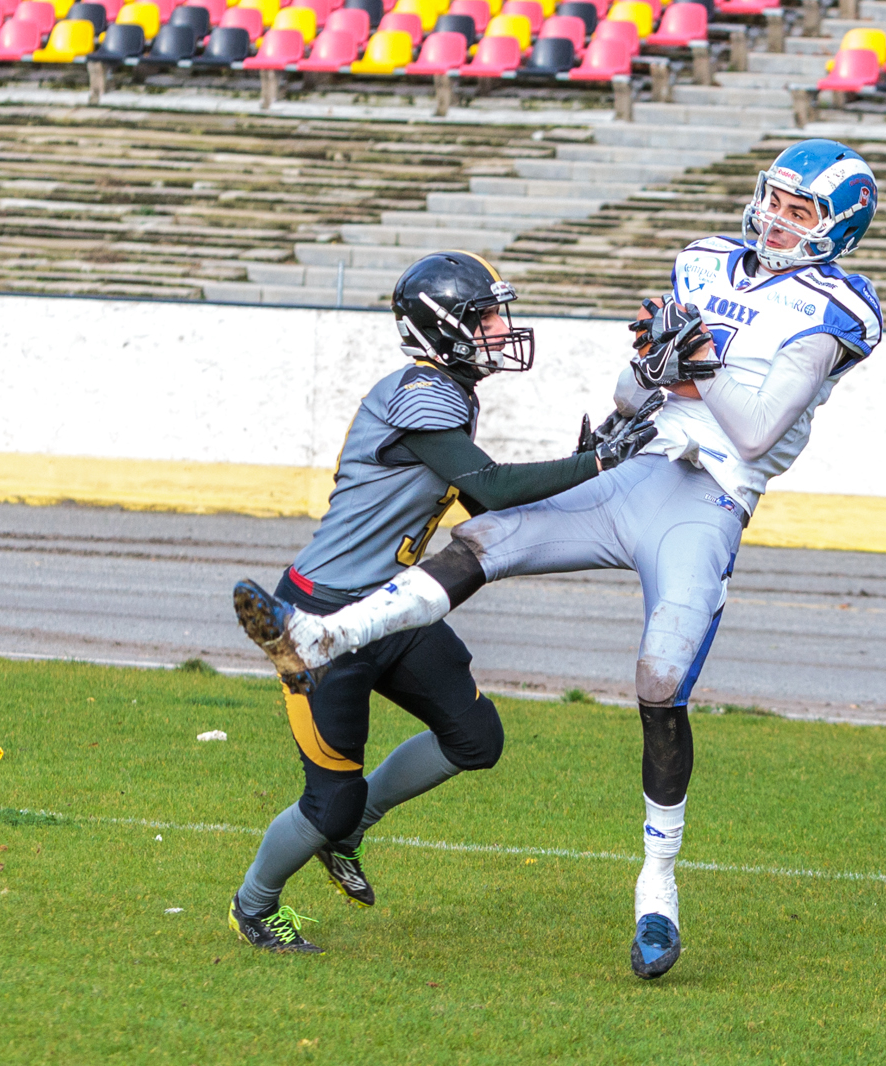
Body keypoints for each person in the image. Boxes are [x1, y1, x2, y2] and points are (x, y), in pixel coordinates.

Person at [240, 140, 883, 977]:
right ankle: (316, 667)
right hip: (619, 474)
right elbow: (610, 410)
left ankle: (658, 892)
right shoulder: (703, 262)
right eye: (775, 199)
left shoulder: (842, 307)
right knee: (481, 547)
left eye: (801, 211)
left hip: (708, 498)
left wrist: (691, 367)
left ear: (837, 229)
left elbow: (755, 430)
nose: (776, 218)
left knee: (651, 685)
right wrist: (653, 376)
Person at [225, 250, 656, 954]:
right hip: (324, 616)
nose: (497, 327)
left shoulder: (448, 393)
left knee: (474, 739)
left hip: (392, 608)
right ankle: (254, 905)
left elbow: (484, 496)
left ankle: (353, 832)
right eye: (483, 316)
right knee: (328, 799)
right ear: (439, 329)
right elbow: (495, 485)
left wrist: (589, 465)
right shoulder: (418, 395)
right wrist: (601, 461)